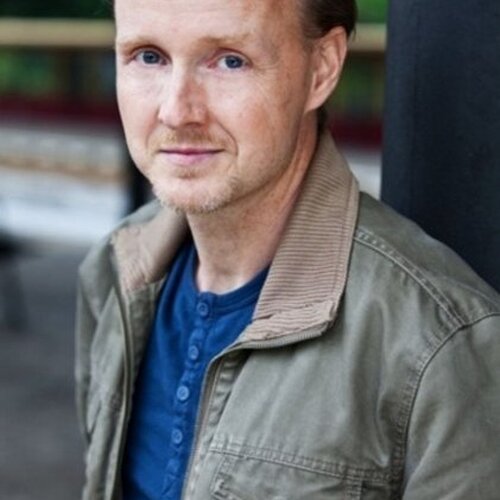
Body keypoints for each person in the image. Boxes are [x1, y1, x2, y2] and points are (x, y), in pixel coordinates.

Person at [75, 0, 500, 498]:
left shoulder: (438, 344)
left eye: (229, 60)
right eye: (148, 56)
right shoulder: (113, 272)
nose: (176, 111)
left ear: (322, 68)